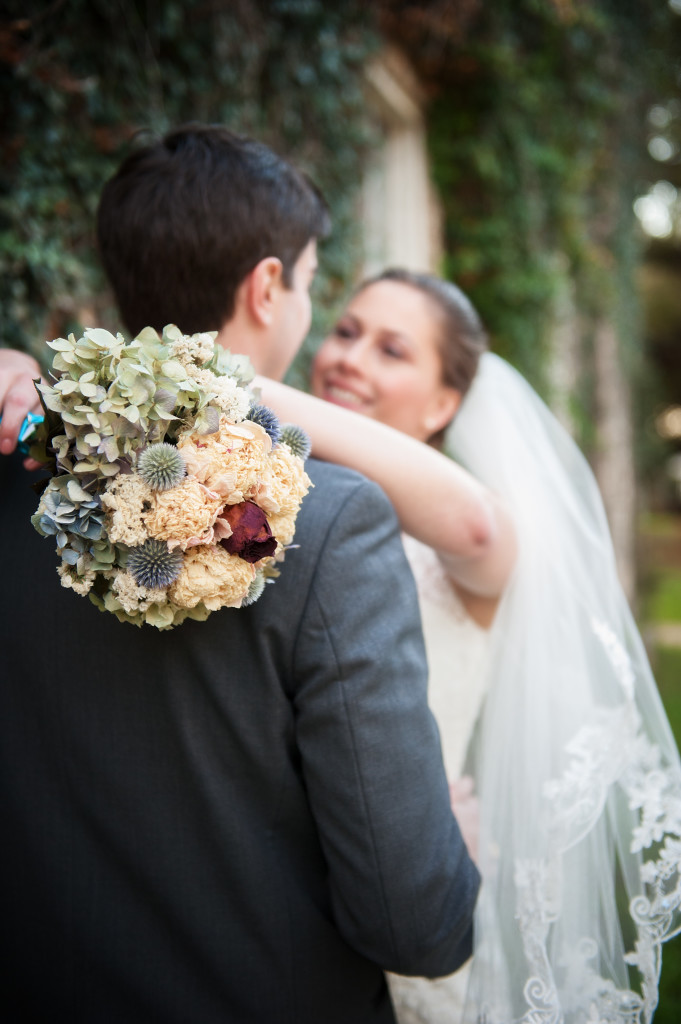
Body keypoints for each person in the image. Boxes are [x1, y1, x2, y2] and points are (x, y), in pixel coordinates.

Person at [0, 126, 481, 1023]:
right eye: (310, 285)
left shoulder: (14, 457)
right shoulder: (335, 522)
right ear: (269, 286)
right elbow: (416, 926)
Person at [250, 269, 681, 1024]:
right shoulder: (270, 492)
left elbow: (474, 527)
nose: (350, 358)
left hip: (409, 888)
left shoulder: (479, 537)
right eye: (347, 332)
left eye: (392, 350)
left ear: (446, 403)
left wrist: (220, 384)